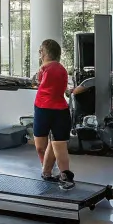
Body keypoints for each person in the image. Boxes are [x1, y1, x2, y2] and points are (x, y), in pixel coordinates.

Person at [31, 38, 75, 189]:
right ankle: (58, 174)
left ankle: (53, 172)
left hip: (44, 109)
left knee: (40, 146)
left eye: (40, 51)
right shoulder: (62, 69)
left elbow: (38, 81)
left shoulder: (44, 68)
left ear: (43, 53)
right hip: (61, 110)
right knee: (58, 144)